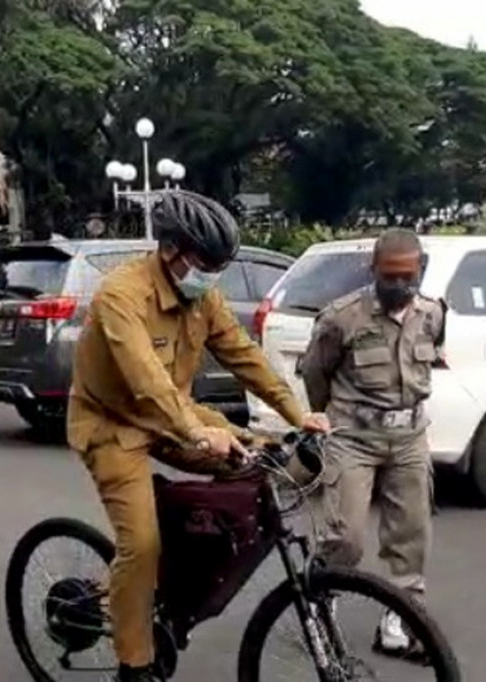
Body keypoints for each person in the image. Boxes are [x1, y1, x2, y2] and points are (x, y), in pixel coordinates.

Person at [67, 189, 330, 682]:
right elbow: (146, 380)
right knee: (141, 545)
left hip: (176, 415)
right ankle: (134, 662)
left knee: (257, 461)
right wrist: (198, 432)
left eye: (219, 265)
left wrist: (298, 414)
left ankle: (176, 586)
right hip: (113, 427)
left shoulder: (202, 296)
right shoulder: (121, 296)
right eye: (206, 262)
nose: (213, 274)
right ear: (171, 249)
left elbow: (242, 354)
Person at [298, 227, 446, 660]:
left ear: (420, 270)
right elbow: (314, 372)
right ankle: (321, 600)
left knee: (412, 534)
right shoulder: (342, 317)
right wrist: (327, 420)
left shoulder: (433, 314)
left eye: (408, 276)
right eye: (389, 276)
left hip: (409, 438)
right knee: (347, 537)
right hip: (353, 438)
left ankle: (401, 616)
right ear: (373, 271)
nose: (399, 285)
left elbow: (431, 355)